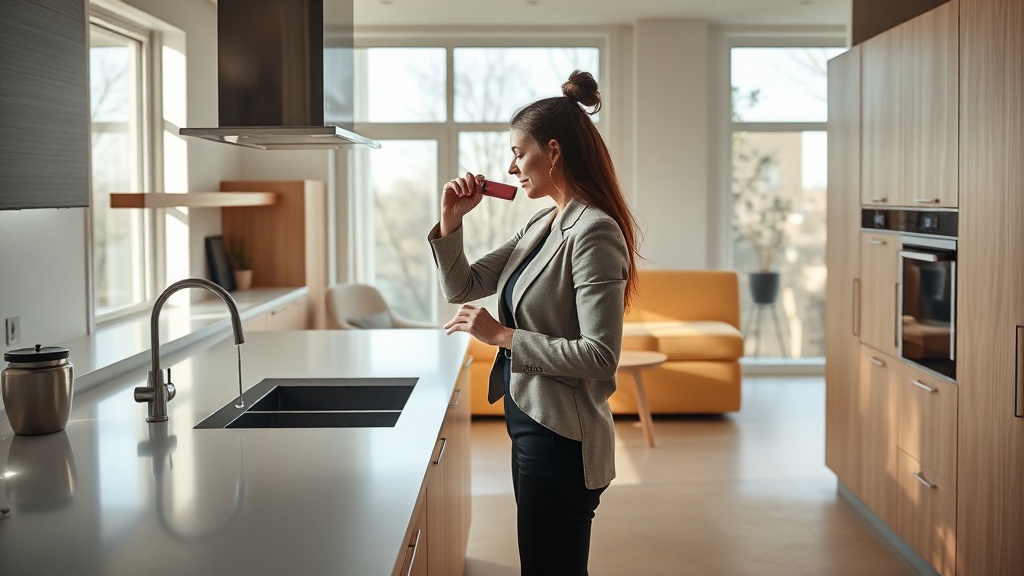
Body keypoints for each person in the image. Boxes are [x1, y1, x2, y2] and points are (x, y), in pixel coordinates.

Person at [427, 70, 641, 575]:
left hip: (562, 437)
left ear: (553, 150)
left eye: (519, 153)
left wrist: (500, 336)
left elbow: (600, 354)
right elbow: (461, 286)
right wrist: (451, 218)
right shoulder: (542, 222)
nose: (512, 166)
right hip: (530, 417)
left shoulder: (594, 231)